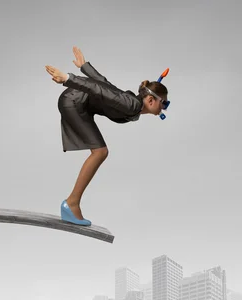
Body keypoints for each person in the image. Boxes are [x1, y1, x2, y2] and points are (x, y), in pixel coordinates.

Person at [44, 46, 169, 226]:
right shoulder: (131, 105)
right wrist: (68, 79)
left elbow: (105, 84)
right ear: (151, 100)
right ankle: (71, 203)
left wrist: (84, 66)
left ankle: (72, 203)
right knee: (100, 152)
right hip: (74, 101)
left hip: (79, 102)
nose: (164, 108)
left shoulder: (132, 104)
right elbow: (98, 89)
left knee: (100, 151)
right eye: (164, 103)